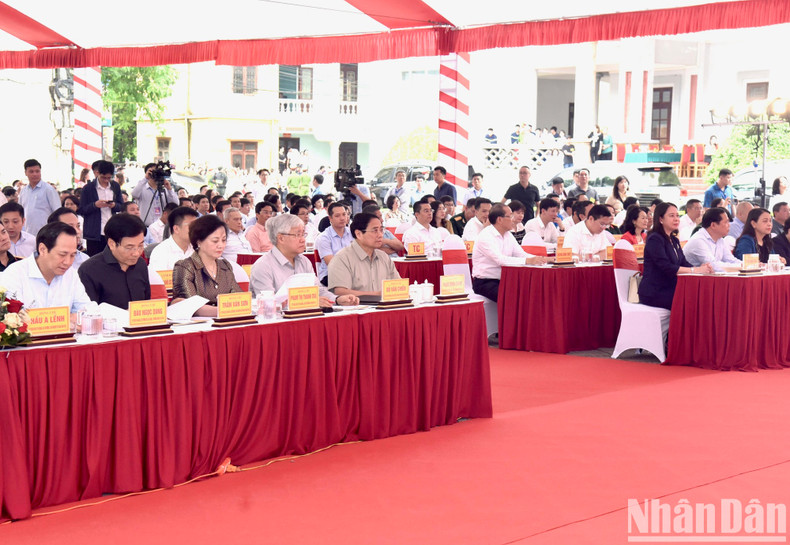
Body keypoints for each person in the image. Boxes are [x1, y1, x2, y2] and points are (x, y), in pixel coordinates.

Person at [249, 214, 359, 307]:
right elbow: (268, 303)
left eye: (303, 234)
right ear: (281, 238)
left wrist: (337, 299)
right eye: (298, 235)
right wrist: (310, 302)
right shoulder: (263, 266)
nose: (303, 240)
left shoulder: (304, 261)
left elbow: (318, 290)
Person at [0, 221, 91, 315]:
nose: (68, 262)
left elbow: (87, 310)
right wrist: (67, 318)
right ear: (42, 249)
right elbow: (13, 319)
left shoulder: (71, 274)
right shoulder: (14, 275)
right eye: (62, 255)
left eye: (72, 255)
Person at [639, 202, 714, 310]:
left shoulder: (674, 240)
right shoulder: (655, 239)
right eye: (671, 216)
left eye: (677, 215)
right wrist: (695, 270)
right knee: (694, 299)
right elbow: (666, 267)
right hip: (656, 291)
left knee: (704, 294)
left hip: (672, 287)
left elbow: (684, 263)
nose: (676, 219)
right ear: (661, 219)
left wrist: (702, 268)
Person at [471, 204, 546, 302]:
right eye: (510, 216)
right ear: (499, 220)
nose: (513, 219)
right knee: (513, 297)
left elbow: (521, 254)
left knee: (532, 291)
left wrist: (542, 259)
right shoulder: (485, 236)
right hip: (485, 282)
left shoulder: (508, 235)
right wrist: (528, 260)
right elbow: (500, 260)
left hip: (505, 279)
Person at [172, 214, 241, 317]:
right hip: (197, 323)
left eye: (223, 240)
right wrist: (226, 311)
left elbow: (238, 297)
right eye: (215, 241)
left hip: (226, 319)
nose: (221, 245)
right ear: (199, 241)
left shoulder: (225, 266)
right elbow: (191, 306)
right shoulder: (185, 267)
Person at [78, 213, 150, 309]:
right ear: (112, 244)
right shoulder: (89, 270)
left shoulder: (141, 264)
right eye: (129, 247)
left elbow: (146, 303)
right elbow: (89, 312)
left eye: (140, 246)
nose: (136, 253)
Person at [328, 212, 400, 298]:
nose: (380, 235)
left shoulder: (384, 257)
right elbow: (340, 292)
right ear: (359, 234)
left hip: (386, 304)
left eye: (381, 230)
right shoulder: (341, 259)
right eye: (375, 230)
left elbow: (398, 285)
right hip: (357, 306)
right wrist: (378, 295)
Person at [683, 207, 741, 272]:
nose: (729, 225)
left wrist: (745, 266)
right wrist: (741, 267)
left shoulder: (720, 239)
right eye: (726, 222)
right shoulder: (698, 240)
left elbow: (730, 260)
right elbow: (713, 265)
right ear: (713, 225)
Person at [148, 206, 200, 272]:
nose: (196, 229)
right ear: (176, 229)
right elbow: (158, 278)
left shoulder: (198, 249)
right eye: (191, 225)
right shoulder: (161, 252)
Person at [18, 159, 61, 237]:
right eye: (31, 171)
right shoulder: (23, 191)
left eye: (37, 171)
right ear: (25, 173)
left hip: (46, 233)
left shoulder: (49, 189)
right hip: (27, 233)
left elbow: (58, 212)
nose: (35, 174)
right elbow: (20, 212)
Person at [315, 202, 353, 286]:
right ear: (330, 218)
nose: (342, 218)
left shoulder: (352, 233)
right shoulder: (324, 237)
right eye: (337, 216)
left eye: (344, 214)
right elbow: (332, 264)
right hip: (330, 275)